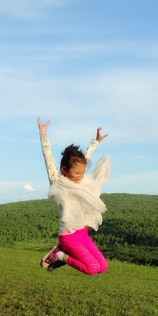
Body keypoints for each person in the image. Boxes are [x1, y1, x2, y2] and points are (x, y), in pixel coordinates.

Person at [38, 117, 111, 274]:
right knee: (92, 268)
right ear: (64, 169)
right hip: (69, 235)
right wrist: (43, 134)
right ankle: (59, 254)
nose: (80, 175)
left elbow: (85, 156)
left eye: (82, 172)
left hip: (82, 233)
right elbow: (48, 158)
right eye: (77, 172)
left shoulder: (80, 180)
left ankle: (63, 253)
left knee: (103, 267)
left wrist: (96, 141)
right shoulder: (58, 181)